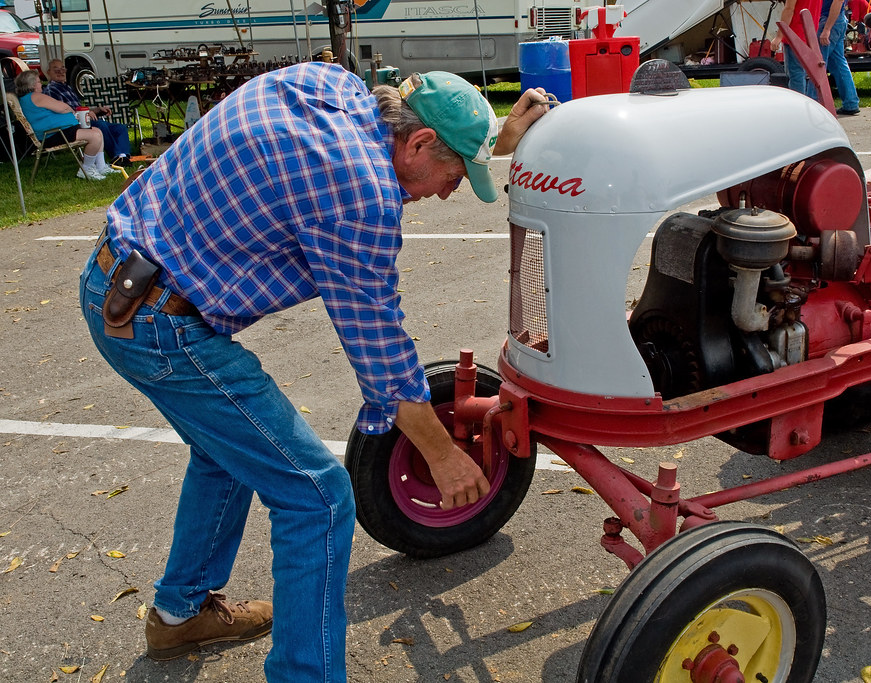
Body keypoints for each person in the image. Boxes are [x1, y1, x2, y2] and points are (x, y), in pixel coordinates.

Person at [79, 63, 549, 682]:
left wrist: (493, 143)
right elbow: (381, 356)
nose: (447, 193)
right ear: (418, 144)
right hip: (161, 325)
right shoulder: (359, 191)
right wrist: (444, 456)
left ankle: (180, 614)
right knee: (318, 496)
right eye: (454, 175)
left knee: (229, 452)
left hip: (116, 281)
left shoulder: (326, 86)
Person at [13, 69, 116, 180]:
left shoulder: (28, 99)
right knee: (94, 136)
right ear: (32, 85)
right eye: (38, 81)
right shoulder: (35, 96)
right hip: (54, 133)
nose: (41, 84)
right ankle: (86, 168)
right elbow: (63, 108)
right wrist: (71, 111)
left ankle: (101, 167)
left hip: (57, 132)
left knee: (97, 131)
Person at [43, 59, 132, 166]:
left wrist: (97, 110)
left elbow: (78, 108)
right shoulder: (51, 90)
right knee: (100, 125)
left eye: (63, 68)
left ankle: (123, 156)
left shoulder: (67, 87)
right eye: (56, 69)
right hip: (73, 124)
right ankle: (117, 157)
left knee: (120, 128)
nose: (61, 72)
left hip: (83, 119)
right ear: (48, 72)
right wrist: (85, 114)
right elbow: (62, 113)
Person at [807, 0, 862, 115]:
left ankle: (813, 102)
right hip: (837, 20)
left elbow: (837, 2)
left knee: (818, 63)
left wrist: (827, 29)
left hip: (829, 20)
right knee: (838, 62)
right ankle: (850, 102)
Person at [771, 0, 824, 93]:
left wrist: (779, 36)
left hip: (794, 34)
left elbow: (789, 9)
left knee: (795, 74)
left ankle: (798, 104)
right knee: (802, 73)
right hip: (810, 33)